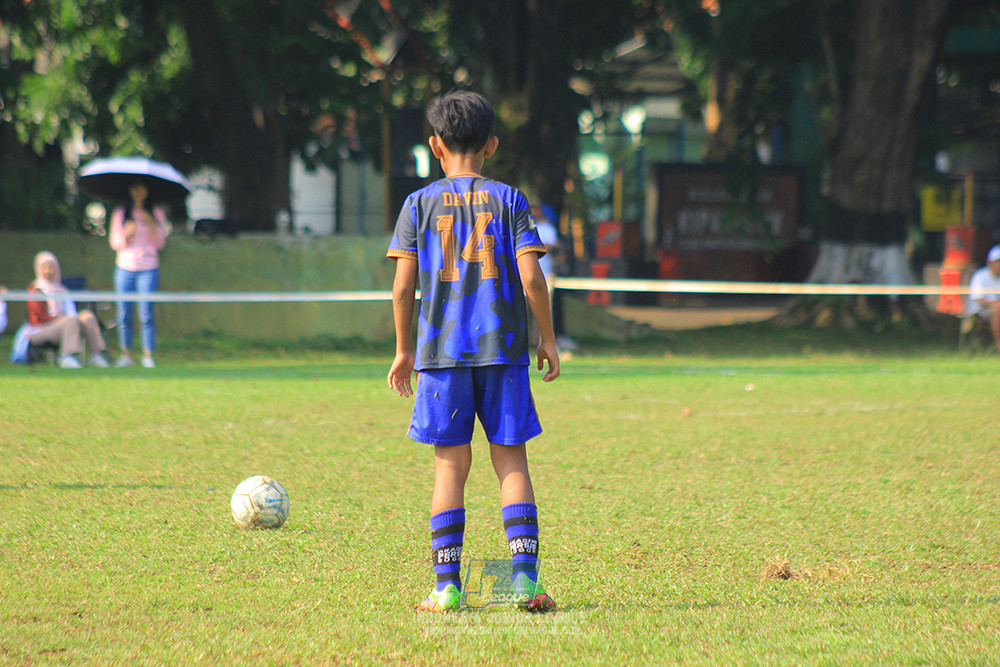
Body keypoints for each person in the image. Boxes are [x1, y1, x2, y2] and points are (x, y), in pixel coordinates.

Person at [386, 91, 560, 613]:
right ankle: (524, 583)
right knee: (510, 463)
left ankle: (447, 588)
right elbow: (532, 277)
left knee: (449, 468)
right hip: (503, 353)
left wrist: (402, 350)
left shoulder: (418, 204)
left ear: (435, 146)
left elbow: (401, 289)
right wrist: (545, 337)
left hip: (440, 356)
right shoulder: (510, 200)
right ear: (492, 144)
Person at [109, 181, 168, 368]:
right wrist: (128, 233)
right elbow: (115, 243)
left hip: (148, 268)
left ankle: (148, 354)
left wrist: (152, 225)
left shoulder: (156, 213)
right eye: (134, 188)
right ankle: (126, 353)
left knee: (146, 313)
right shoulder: (120, 213)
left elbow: (160, 243)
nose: (138, 192)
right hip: (125, 267)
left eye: (142, 188)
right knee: (124, 312)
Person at [16, 251, 109, 368]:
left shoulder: (62, 290)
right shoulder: (35, 290)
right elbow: (38, 319)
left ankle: (97, 355)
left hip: (67, 325)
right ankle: (67, 356)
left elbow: (72, 312)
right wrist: (61, 319)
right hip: (41, 331)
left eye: (51, 267)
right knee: (70, 320)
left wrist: (75, 320)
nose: (48, 271)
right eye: (44, 268)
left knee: (87, 316)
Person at [965, 244, 1000, 352]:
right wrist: (995, 304)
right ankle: (999, 346)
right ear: (989, 263)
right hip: (981, 310)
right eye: (997, 262)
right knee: (997, 310)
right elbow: (978, 299)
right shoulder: (980, 276)